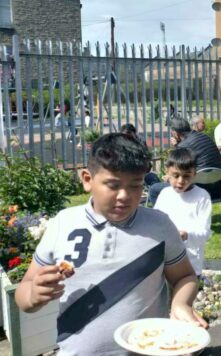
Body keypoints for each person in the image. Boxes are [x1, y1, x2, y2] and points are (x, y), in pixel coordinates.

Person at [14, 133, 206, 354]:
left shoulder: (160, 226)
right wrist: (33, 295)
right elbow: (24, 293)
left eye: (135, 185)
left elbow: (185, 276)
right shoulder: (63, 223)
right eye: (113, 185)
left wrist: (180, 303)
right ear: (87, 179)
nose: (124, 195)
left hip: (146, 349)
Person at [154, 148, 212, 276]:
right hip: (165, 260)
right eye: (176, 175)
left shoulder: (201, 197)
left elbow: (205, 233)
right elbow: (155, 222)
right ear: (167, 172)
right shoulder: (165, 194)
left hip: (189, 261)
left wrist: (186, 235)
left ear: (194, 174)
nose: (181, 181)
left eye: (186, 176)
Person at [149, 117, 221, 203]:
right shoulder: (204, 136)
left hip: (198, 191)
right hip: (219, 189)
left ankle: (163, 216)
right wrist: (178, 145)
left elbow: (178, 170)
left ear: (175, 133)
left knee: (154, 189)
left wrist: (169, 177)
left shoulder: (184, 145)